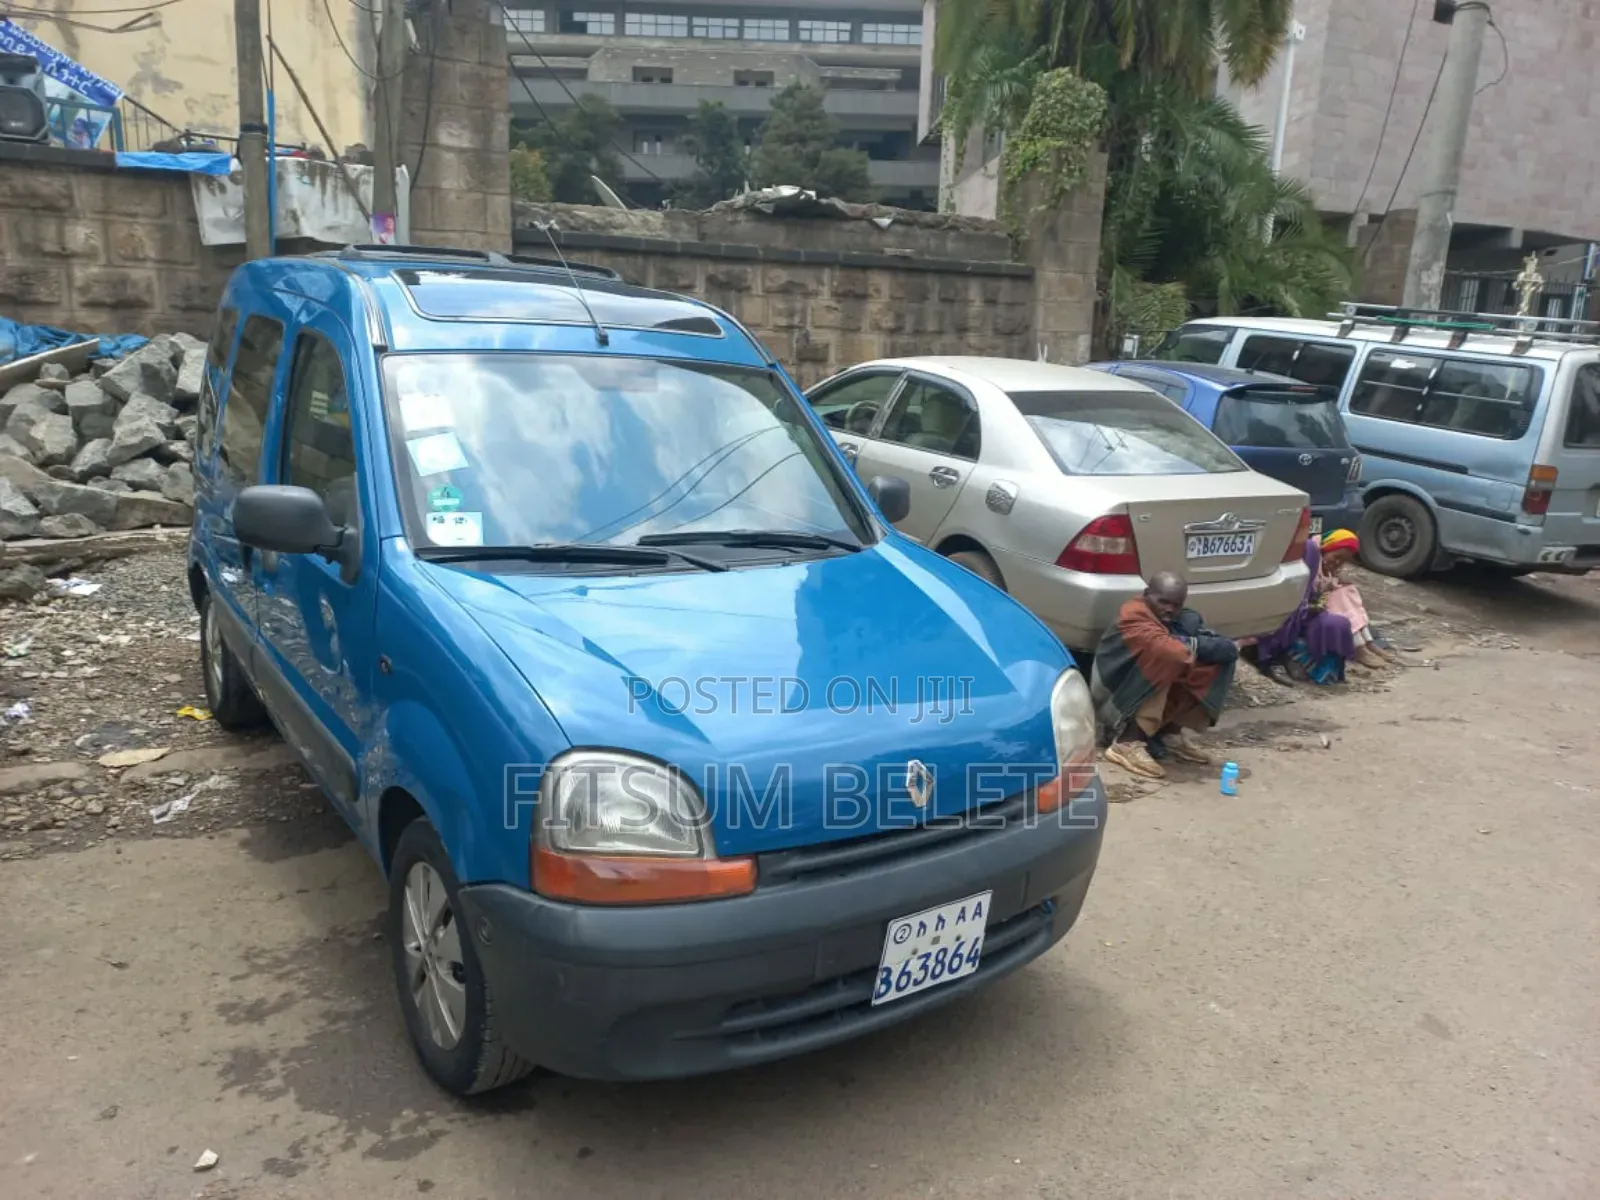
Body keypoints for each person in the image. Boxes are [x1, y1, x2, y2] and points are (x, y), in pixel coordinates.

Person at [1091, 571, 1239, 780]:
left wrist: (1199, 644)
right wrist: (1194, 644)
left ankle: (1169, 733)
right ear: (1147, 595)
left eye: (1176, 605)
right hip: (1113, 697)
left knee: (1213, 661)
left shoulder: (1178, 618)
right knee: (1168, 658)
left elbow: (1219, 647)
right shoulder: (1133, 615)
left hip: (1136, 687)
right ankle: (1127, 742)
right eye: (1163, 602)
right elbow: (1173, 651)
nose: (1169, 609)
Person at [1254, 537, 1357, 684]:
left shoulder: (1321, 570)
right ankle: (1272, 662)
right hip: (1285, 609)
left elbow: (1311, 598)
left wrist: (1312, 606)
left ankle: (1330, 672)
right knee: (1285, 616)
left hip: (1305, 612)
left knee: (1338, 624)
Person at [1317, 529, 1398, 669]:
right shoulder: (1315, 563)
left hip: (1325, 600)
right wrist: (1328, 587)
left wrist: (1338, 581)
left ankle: (1368, 642)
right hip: (1316, 606)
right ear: (1328, 549)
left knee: (1348, 591)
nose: (1337, 562)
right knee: (1339, 597)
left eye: (1342, 561)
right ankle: (1358, 647)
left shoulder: (1329, 566)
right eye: (1336, 557)